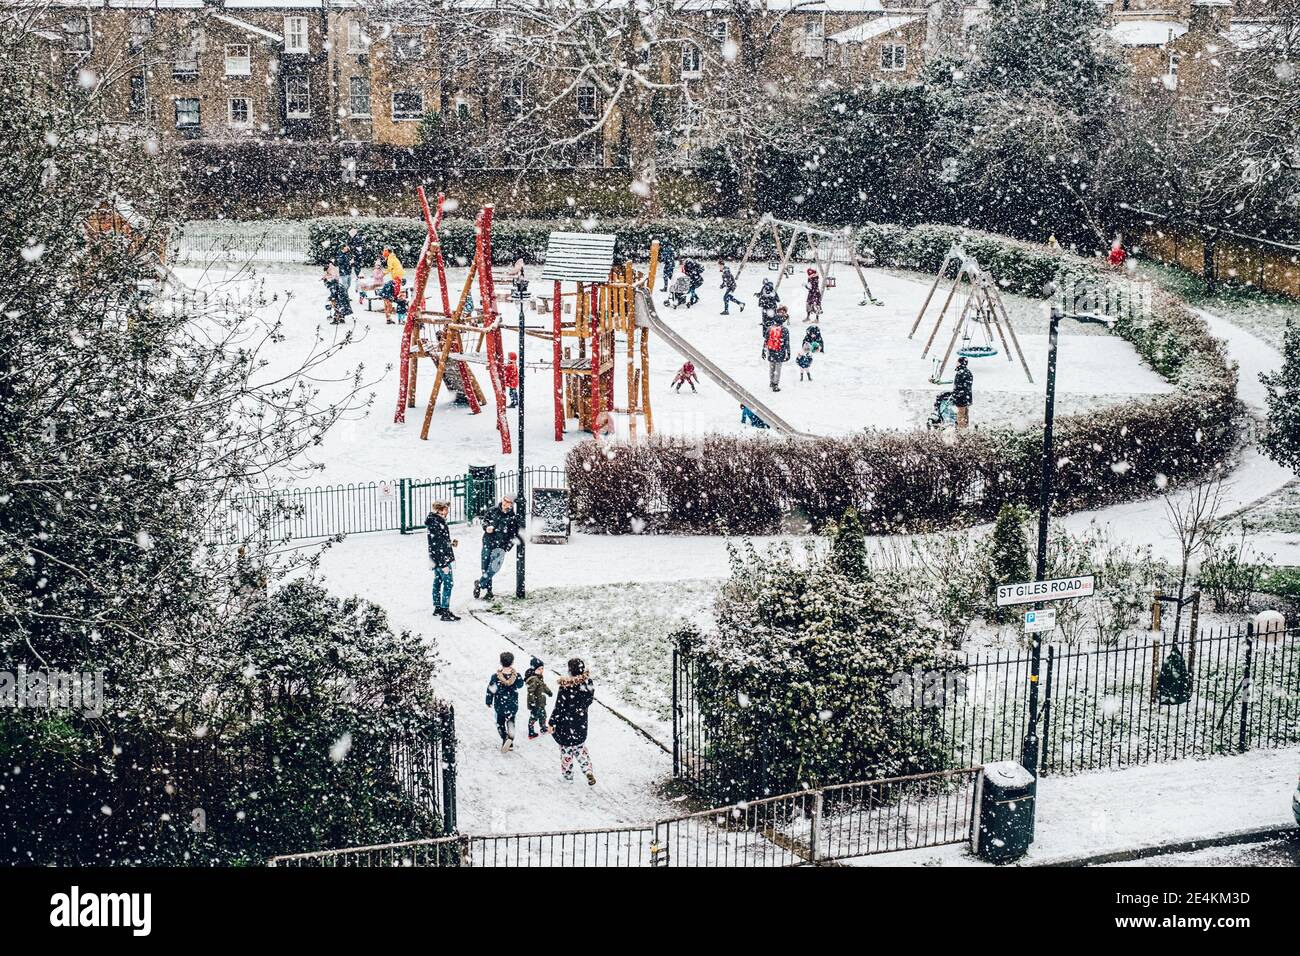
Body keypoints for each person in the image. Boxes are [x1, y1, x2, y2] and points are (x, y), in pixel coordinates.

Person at [548, 658, 596, 785]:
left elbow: (559, 707)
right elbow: (589, 700)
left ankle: (568, 776)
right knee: (580, 749)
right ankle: (587, 770)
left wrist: (552, 722)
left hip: (566, 726)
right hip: (580, 724)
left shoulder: (565, 687)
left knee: (566, 752)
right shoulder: (588, 683)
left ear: (570, 671)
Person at [474, 495, 520, 600]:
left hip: (501, 546)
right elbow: (485, 522)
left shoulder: (513, 517)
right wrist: (486, 528)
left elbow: (513, 535)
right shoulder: (492, 511)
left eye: (508, 501)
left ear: (511, 504)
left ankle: (479, 584)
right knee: (485, 567)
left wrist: (507, 547)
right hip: (488, 542)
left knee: (494, 568)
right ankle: (489, 591)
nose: (505, 503)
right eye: (504, 500)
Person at [425, 501, 460, 621]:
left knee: (437, 581)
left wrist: (450, 543)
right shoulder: (436, 523)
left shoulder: (435, 521)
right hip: (441, 559)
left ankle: (438, 607)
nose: (447, 512)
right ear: (438, 510)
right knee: (448, 583)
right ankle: (445, 611)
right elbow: (437, 545)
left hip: (436, 558)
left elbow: (438, 542)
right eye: (445, 509)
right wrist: (443, 563)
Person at [485, 651, 524, 752]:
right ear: (512, 662)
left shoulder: (496, 677)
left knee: (500, 723)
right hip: (512, 705)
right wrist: (517, 676)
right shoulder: (516, 676)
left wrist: (488, 701)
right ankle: (510, 740)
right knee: (511, 723)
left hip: (500, 705)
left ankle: (504, 738)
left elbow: (491, 690)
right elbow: (520, 685)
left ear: (501, 662)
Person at [524, 657, 552, 740]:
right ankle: (531, 732)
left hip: (541, 702)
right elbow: (530, 692)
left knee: (543, 715)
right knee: (534, 716)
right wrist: (531, 702)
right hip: (536, 703)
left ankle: (543, 727)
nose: (541, 670)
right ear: (534, 670)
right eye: (539, 669)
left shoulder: (539, 677)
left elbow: (543, 686)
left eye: (542, 668)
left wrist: (548, 692)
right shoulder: (533, 679)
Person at [764, 311, 790, 392]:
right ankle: (775, 384)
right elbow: (787, 343)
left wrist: (763, 351)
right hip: (780, 351)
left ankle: (771, 382)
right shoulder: (785, 330)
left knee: (771, 367)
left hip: (771, 350)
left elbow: (766, 340)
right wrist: (788, 353)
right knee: (777, 368)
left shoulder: (770, 328)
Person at [382, 247, 405, 324]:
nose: (383, 253)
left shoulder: (391, 258)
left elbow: (390, 268)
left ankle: (388, 319)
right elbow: (390, 268)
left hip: (392, 282)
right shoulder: (392, 257)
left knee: (387, 305)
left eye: (385, 251)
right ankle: (388, 319)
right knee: (389, 306)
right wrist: (383, 273)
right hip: (388, 289)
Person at [953, 356, 974, 429]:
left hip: (961, 398)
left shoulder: (960, 373)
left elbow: (958, 387)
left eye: (957, 362)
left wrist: (955, 395)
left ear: (960, 363)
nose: (956, 363)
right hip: (967, 397)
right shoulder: (968, 372)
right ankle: (966, 428)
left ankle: (961, 431)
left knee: (960, 414)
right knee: (965, 414)